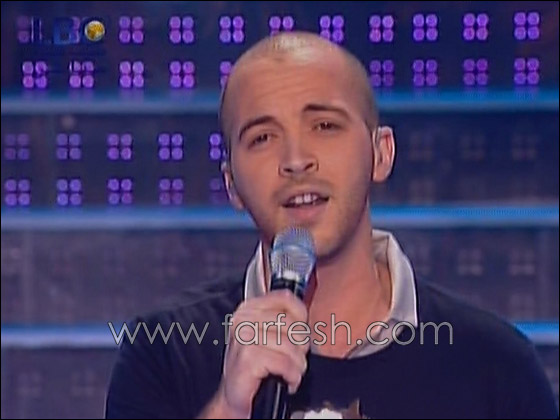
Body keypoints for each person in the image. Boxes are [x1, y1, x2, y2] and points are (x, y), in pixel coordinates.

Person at [105, 32, 558, 419]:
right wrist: (228, 408)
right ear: (232, 186)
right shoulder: (164, 353)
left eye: (324, 125)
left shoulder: (494, 365)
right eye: (262, 137)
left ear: (380, 154)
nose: (296, 159)